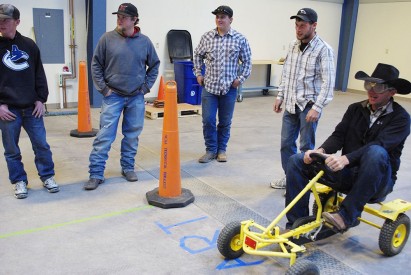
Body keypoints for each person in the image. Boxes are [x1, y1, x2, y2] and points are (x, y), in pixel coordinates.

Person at [284, 63, 411, 231]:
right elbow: (339, 136)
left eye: (379, 87)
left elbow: (380, 145)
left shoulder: (401, 118)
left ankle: (347, 216)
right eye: (369, 85)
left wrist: (346, 159)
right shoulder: (355, 109)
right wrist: (319, 151)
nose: (372, 91)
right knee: (297, 160)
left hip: (377, 182)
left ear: (392, 92)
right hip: (347, 174)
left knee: (376, 152)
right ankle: (297, 224)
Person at [85, 3, 160, 190]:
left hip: (136, 97)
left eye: (124, 16)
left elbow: (155, 65)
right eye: (118, 16)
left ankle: (127, 167)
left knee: (132, 135)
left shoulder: (145, 42)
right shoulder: (107, 39)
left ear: (134, 19)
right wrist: (104, 89)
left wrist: (145, 88)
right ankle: (96, 174)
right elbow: (96, 65)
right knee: (104, 136)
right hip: (113, 96)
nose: (119, 19)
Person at [270, 8, 335, 189]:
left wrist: (317, 107)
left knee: (306, 148)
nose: (299, 30)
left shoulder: (324, 49)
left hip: (308, 105)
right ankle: (290, 178)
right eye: (297, 26)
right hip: (291, 103)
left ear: (314, 26)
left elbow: (328, 82)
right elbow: (287, 73)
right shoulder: (292, 45)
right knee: (286, 144)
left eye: (303, 26)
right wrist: (280, 96)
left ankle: (302, 182)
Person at [0, 4, 59, 199]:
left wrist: (41, 100)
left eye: (6, 20)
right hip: (8, 110)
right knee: (11, 150)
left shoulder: (29, 46)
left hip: (31, 108)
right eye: (0, 20)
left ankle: (47, 176)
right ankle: (19, 181)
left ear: (17, 22)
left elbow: (39, 75)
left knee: (41, 145)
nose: (2, 24)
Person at [193, 5, 252, 163]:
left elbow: (247, 62)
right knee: (208, 120)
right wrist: (198, 74)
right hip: (209, 88)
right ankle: (210, 150)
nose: (219, 19)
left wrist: (240, 79)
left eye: (223, 17)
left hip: (229, 89)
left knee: (225, 122)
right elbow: (197, 56)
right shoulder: (207, 37)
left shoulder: (240, 39)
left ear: (230, 20)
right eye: (217, 16)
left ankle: (221, 150)